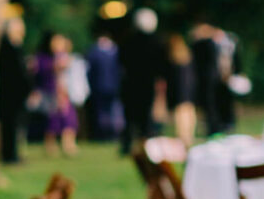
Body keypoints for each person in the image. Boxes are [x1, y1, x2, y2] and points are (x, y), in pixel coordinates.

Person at [118, 8, 166, 154]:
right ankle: (146, 145)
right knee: (145, 116)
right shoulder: (157, 42)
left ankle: (128, 145)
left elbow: (121, 61)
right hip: (147, 84)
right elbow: (161, 65)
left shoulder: (128, 40)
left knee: (130, 117)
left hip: (131, 84)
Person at [31, 32, 79, 155]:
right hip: (49, 93)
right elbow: (40, 75)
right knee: (52, 121)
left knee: (69, 119)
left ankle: (68, 145)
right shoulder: (44, 58)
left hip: (64, 93)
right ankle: (50, 146)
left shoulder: (64, 57)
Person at [0, 13, 30, 163]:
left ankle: (13, 153)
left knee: (15, 126)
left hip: (17, 95)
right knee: (8, 125)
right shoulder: (7, 47)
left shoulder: (17, 46)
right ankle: (8, 155)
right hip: (8, 94)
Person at [84, 34, 122, 141]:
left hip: (103, 87)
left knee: (108, 112)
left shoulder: (96, 52)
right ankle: (107, 133)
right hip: (106, 87)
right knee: (106, 112)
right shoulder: (112, 51)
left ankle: (108, 133)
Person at [165, 33, 196, 148]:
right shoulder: (187, 56)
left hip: (179, 91)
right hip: (188, 90)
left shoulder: (173, 58)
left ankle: (183, 137)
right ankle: (188, 137)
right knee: (189, 113)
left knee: (180, 115)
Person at [190, 20, 221, 136]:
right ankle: (213, 127)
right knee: (210, 105)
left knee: (210, 105)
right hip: (210, 79)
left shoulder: (201, 45)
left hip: (206, 79)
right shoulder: (210, 44)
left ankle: (213, 128)